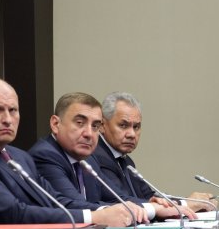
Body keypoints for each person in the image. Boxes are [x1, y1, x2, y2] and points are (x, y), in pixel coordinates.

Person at [0, 78, 144, 227]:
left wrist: (107, 211)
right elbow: (11, 213)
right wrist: (93, 216)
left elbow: (55, 200)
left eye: (13, 110)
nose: (8, 119)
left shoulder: (19, 157)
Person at [29, 92, 195, 220]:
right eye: (80, 123)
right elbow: (71, 205)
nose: (89, 133)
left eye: (94, 125)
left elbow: (117, 198)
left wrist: (155, 206)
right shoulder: (46, 155)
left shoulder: (88, 159)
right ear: (55, 124)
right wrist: (152, 209)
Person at [93, 91, 214, 211]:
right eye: (123, 125)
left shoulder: (126, 161)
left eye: (136, 127)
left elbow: (149, 196)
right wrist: (184, 204)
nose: (131, 134)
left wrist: (189, 202)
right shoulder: (98, 157)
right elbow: (122, 200)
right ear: (102, 125)